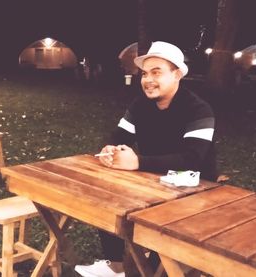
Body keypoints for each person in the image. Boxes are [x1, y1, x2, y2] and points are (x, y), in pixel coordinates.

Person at [74, 41, 217, 277]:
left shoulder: (199, 110)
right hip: (153, 177)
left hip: (196, 182)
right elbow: (120, 135)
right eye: (145, 73)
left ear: (177, 75)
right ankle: (117, 266)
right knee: (107, 196)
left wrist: (138, 163)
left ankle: (160, 265)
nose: (148, 79)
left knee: (161, 249)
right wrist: (110, 149)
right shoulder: (141, 104)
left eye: (156, 72)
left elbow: (193, 158)